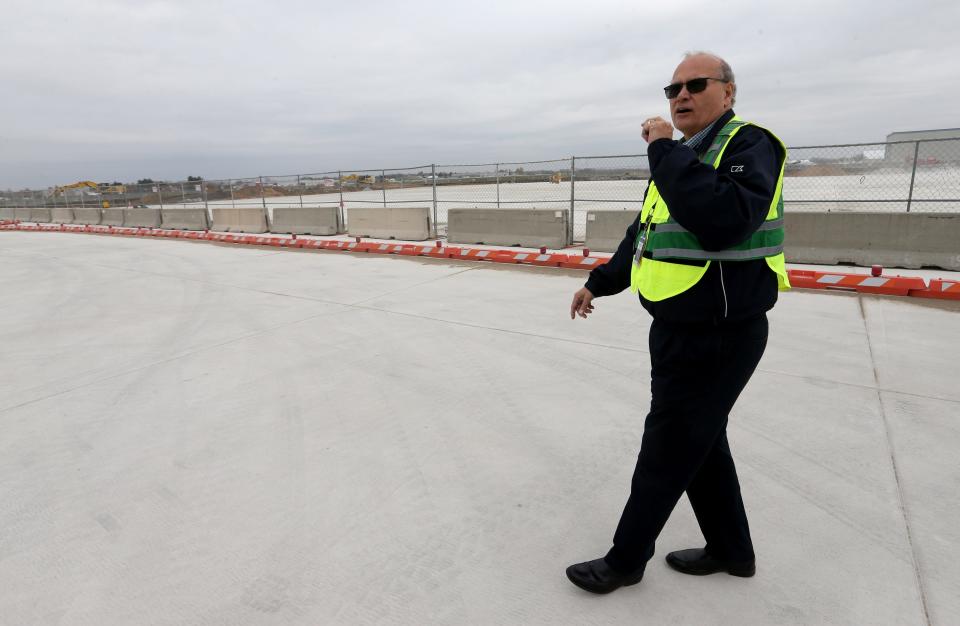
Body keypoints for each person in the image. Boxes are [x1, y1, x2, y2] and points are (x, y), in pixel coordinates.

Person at [565, 51, 791, 594]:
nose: (681, 96)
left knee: (668, 445)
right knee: (702, 442)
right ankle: (732, 551)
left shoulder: (747, 144)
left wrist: (663, 148)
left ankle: (624, 560)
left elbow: (723, 220)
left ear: (728, 92)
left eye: (695, 85)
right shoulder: (685, 155)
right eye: (672, 89)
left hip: (719, 329)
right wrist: (599, 281)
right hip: (679, 326)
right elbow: (645, 232)